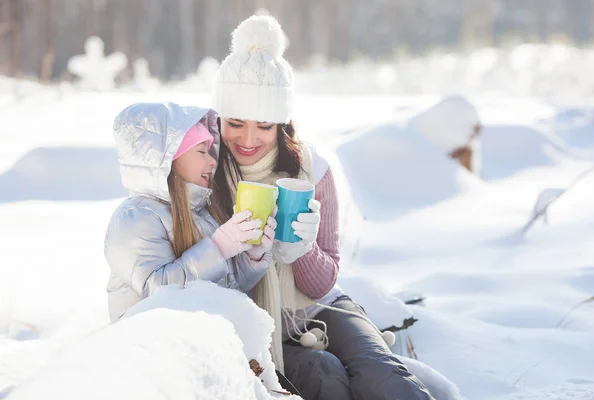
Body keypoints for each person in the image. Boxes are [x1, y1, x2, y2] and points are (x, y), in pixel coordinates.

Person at [209, 15, 434, 400]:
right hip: (252, 320)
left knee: (386, 379)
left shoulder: (312, 170)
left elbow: (323, 284)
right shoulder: (205, 169)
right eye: (235, 123)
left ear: (282, 122)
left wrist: (302, 250)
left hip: (319, 305)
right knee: (324, 376)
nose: (248, 139)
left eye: (264, 125)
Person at [104, 102, 276, 323]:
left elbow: (227, 288)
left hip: (197, 345)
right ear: (169, 159)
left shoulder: (199, 212)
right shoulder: (135, 218)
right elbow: (159, 295)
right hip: (151, 350)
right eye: (202, 151)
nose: (212, 160)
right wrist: (218, 248)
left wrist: (251, 255)